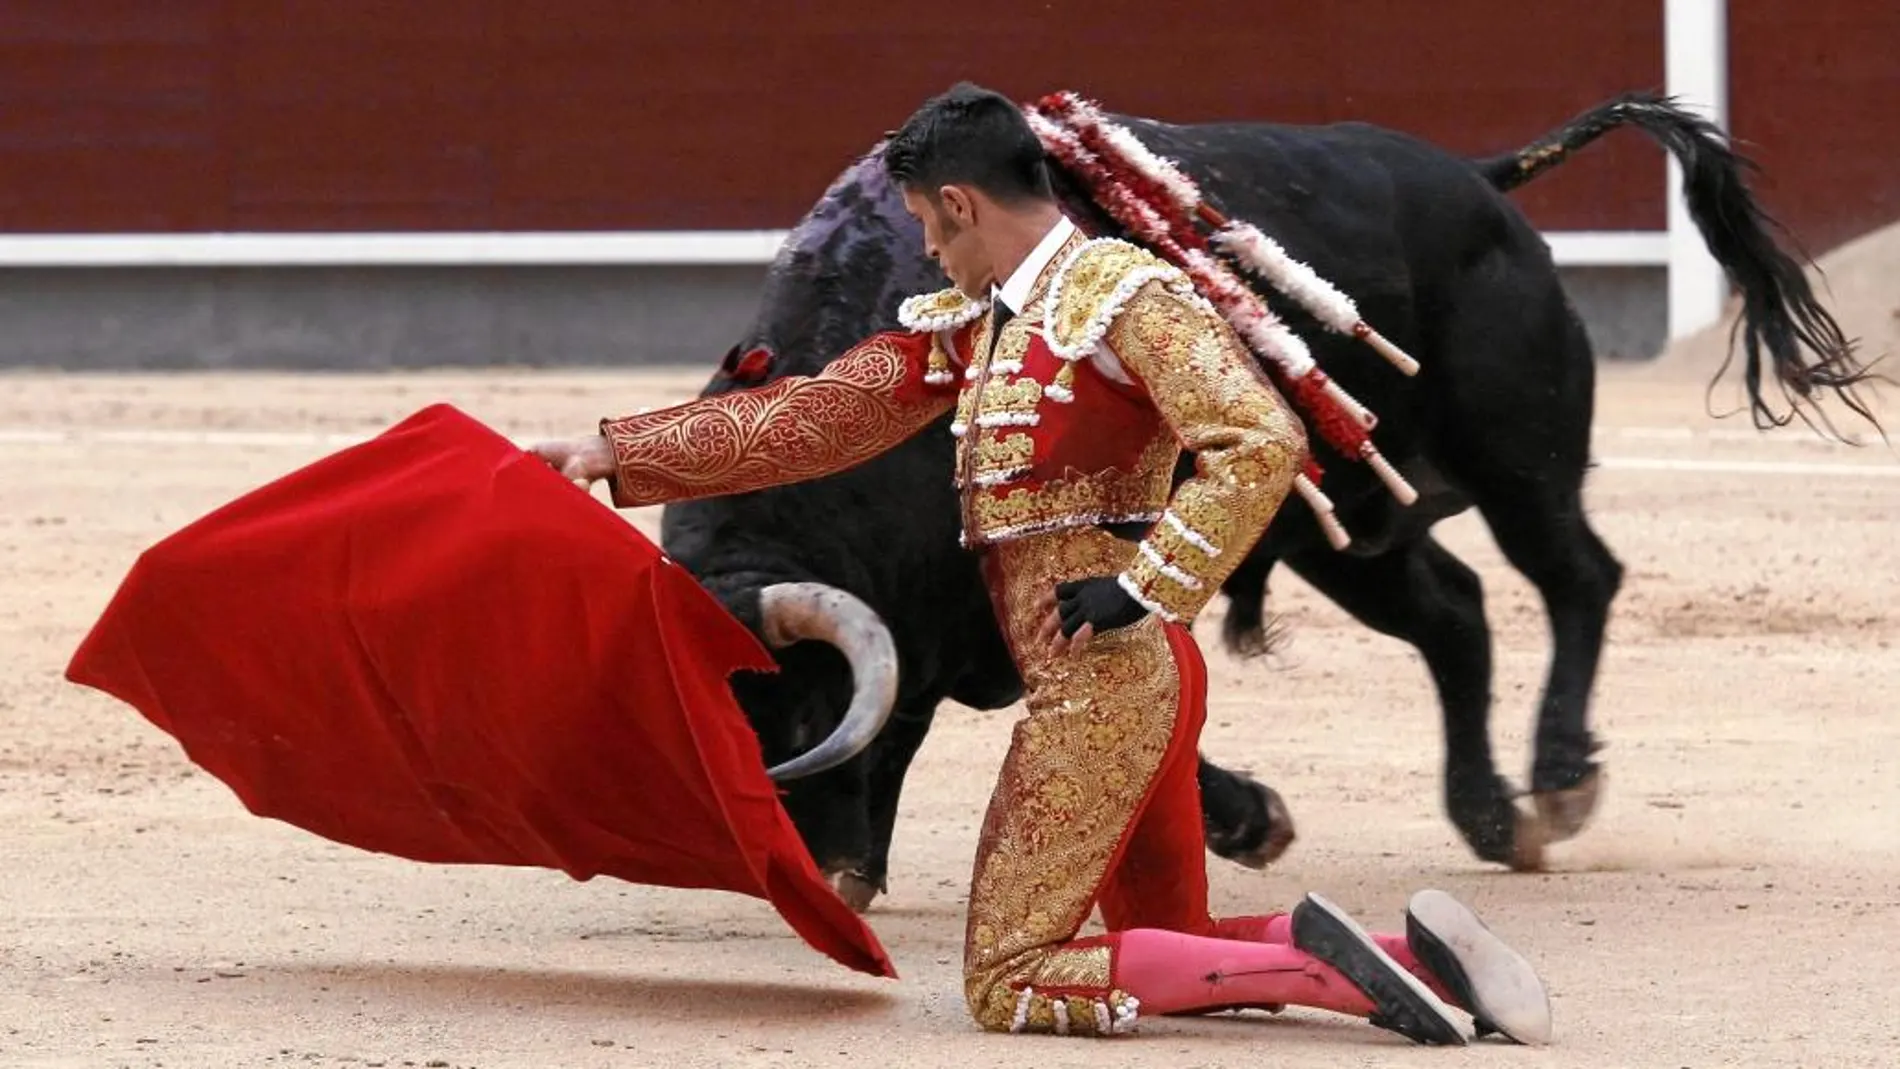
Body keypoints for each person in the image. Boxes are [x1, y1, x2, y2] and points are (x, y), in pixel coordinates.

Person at [530, 81, 1553, 1046]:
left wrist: (1148, 584)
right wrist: (621, 452)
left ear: (962, 204)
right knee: (1169, 934)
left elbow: (1257, 440)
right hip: (1115, 674)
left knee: (1012, 974)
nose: (925, 249)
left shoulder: (1126, 298)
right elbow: (825, 415)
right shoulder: (979, 327)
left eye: (929, 225)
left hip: (1103, 680)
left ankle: (1340, 981)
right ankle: (1411, 954)